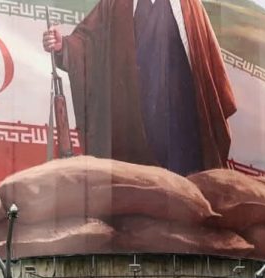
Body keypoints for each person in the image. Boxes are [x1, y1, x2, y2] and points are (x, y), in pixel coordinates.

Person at [42, 0, 236, 176]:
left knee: (186, 188)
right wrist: (63, 46)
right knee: (138, 187)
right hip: (133, 121)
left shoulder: (189, 5)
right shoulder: (115, 4)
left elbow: (208, 66)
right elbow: (88, 43)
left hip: (181, 122)